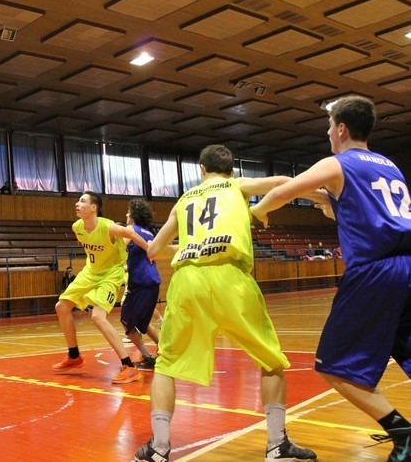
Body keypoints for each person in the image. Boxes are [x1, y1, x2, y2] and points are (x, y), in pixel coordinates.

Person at [250, 95, 411, 462]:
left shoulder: (339, 162)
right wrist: (330, 203)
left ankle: (402, 433)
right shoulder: (389, 166)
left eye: (328, 127)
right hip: (407, 266)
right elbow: (366, 212)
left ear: (341, 129)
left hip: (375, 271)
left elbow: (281, 192)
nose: (327, 134)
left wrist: (257, 213)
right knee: (405, 348)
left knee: (334, 365)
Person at [134, 145, 317, 462]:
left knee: (165, 366)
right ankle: (277, 445)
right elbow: (280, 182)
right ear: (231, 171)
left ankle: (158, 449)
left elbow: (153, 250)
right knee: (270, 361)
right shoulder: (236, 184)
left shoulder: (184, 199)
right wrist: (322, 196)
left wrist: (189, 245)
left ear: (201, 169)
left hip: (188, 280)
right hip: (230, 277)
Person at [52, 191, 152, 384]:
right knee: (61, 307)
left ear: (93, 208)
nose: (77, 203)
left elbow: (131, 233)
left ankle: (129, 366)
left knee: (97, 316)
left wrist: (150, 251)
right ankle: (74, 355)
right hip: (90, 272)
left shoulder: (108, 226)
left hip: (110, 274)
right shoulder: (77, 227)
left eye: (82, 201)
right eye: (78, 200)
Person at [120, 199, 161, 371]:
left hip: (140, 282)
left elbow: (118, 250)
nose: (126, 214)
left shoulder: (130, 229)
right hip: (153, 281)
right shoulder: (150, 233)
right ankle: (163, 348)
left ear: (134, 214)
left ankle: (147, 356)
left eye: (128, 211)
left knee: (126, 322)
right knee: (143, 323)